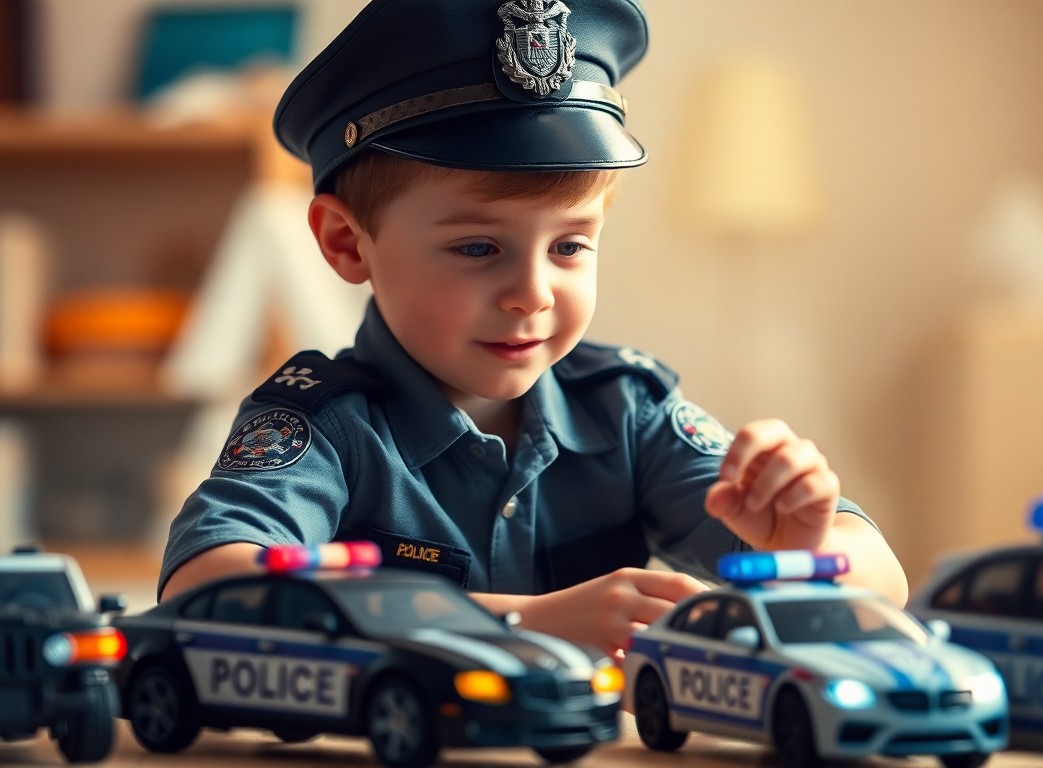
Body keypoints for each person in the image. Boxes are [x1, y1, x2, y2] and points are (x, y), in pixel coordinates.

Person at [158, 0, 906, 657]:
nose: (531, 294)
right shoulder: (322, 427)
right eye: (478, 248)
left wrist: (801, 551)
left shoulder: (626, 410)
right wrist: (523, 622)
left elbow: (881, 580)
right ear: (349, 244)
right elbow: (201, 591)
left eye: (570, 246)